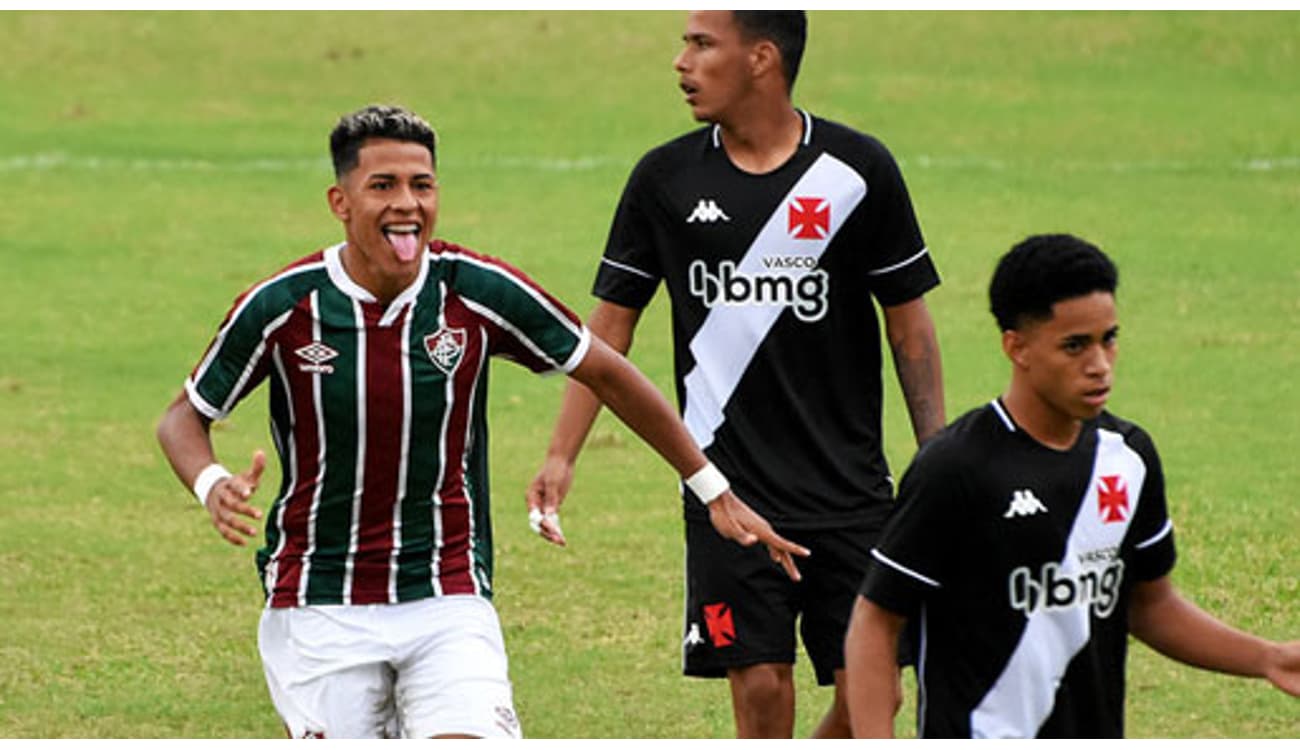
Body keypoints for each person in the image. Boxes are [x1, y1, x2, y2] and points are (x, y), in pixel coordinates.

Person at [155, 104, 808, 740]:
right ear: (340, 202)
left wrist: (712, 490)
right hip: (319, 598)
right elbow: (184, 417)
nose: (406, 203)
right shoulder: (283, 306)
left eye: (422, 185)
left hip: (448, 590)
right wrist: (212, 482)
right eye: (382, 186)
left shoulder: (474, 290)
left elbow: (607, 371)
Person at [527, 11, 945, 739]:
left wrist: (935, 457)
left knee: (874, 700)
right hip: (726, 491)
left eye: (700, 44)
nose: (681, 62)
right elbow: (608, 330)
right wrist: (562, 453)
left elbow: (908, 325)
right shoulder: (665, 179)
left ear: (760, 58)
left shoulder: (856, 171)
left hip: (850, 491)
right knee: (759, 689)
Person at [844, 233, 1300, 738]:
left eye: (1109, 338)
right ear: (1016, 347)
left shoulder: (1127, 457)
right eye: (1075, 346)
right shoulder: (957, 468)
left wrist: (1269, 659)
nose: (1100, 364)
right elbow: (876, 621)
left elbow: (1148, 603)